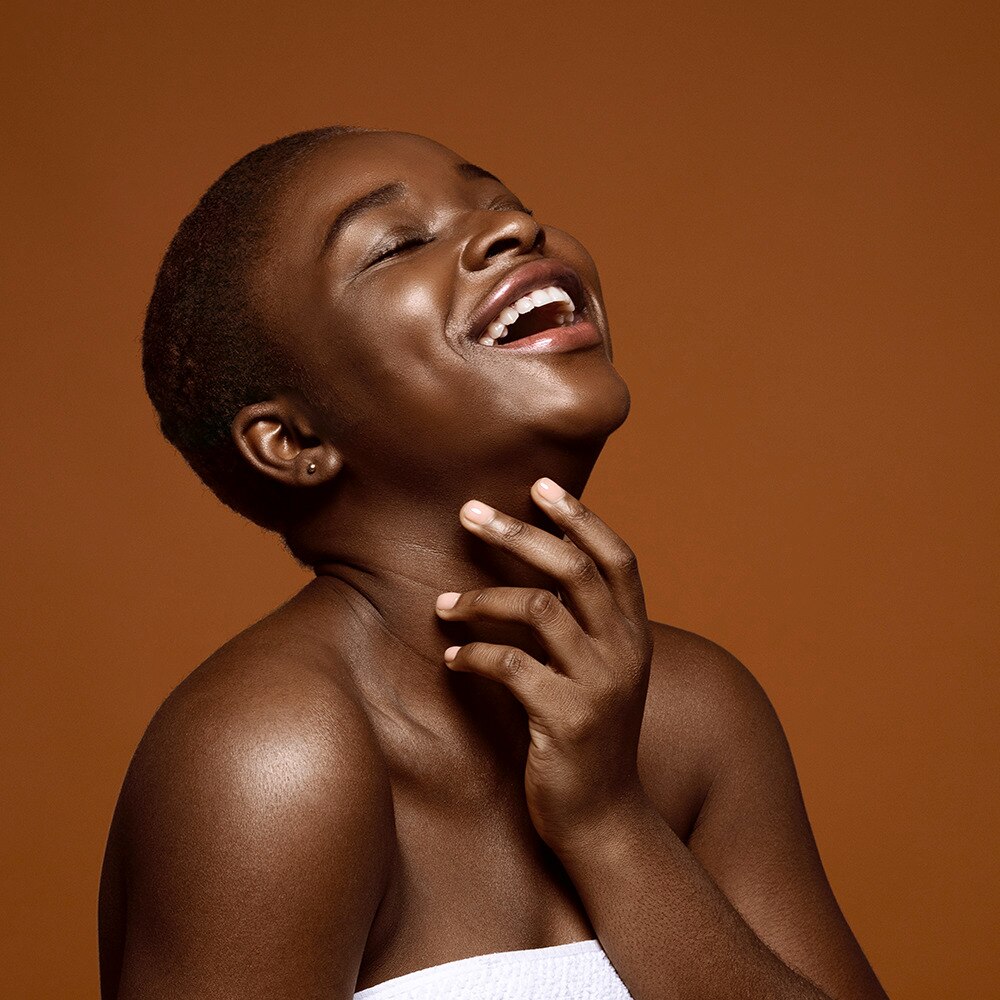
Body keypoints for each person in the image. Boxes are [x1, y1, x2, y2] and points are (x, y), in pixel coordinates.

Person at [99, 126, 889, 1000]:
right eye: (398, 245)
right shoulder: (274, 759)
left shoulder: (692, 714)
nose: (512, 232)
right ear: (291, 439)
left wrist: (612, 823)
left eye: (504, 205)